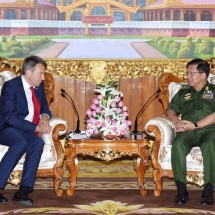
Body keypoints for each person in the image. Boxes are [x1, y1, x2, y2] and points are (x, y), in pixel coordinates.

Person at [0, 56, 52, 206]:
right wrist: (35, 127)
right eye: (40, 74)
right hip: (5, 128)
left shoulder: (39, 86)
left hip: (24, 130)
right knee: (20, 142)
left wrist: (44, 118)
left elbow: (44, 107)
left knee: (37, 142)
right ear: (29, 72)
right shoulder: (11, 86)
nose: (43, 78)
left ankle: (23, 191)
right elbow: (9, 117)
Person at [166, 58, 215, 206]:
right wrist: (176, 122)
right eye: (187, 73)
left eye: (192, 73)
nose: (188, 76)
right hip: (187, 130)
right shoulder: (183, 92)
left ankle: (208, 189)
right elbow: (170, 109)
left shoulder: (213, 91)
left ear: (203, 75)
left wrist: (195, 125)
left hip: (209, 129)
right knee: (179, 143)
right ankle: (181, 189)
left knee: (209, 143)